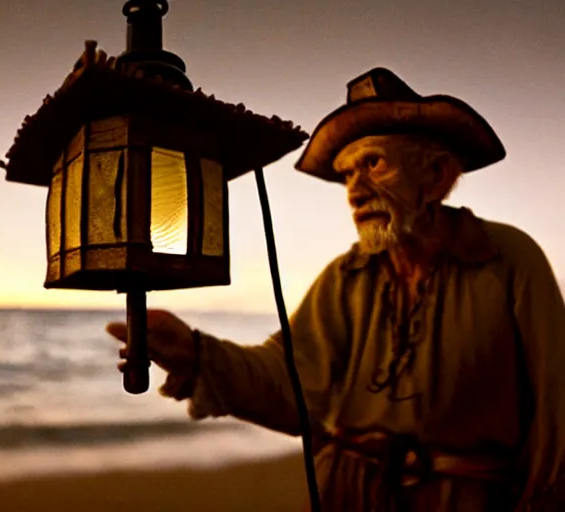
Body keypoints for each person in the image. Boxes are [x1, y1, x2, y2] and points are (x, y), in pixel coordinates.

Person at [106, 68, 565, 511]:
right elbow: (289, 380)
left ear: (437, 175)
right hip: (345, 496)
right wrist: (195, 352)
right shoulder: (347, 277)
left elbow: (557, 411)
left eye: (373, 164)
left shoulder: (508, 259)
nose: (355, 190)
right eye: (347, 174)